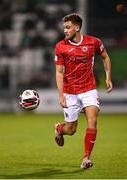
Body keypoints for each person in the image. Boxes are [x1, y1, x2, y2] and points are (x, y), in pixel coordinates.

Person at [54, 13, 113, 169]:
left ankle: (86, 158)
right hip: (69, 91)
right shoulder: (61, 46)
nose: (65, 30)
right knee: (71, 130)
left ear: (77, 27)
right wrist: (61, 95)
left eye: (68, 27)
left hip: (88, 89)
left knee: (92, 119)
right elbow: (59, 72)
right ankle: (60, 129)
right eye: (64, 28)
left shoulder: (94, 42)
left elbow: (105, 57)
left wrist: (108, 77)